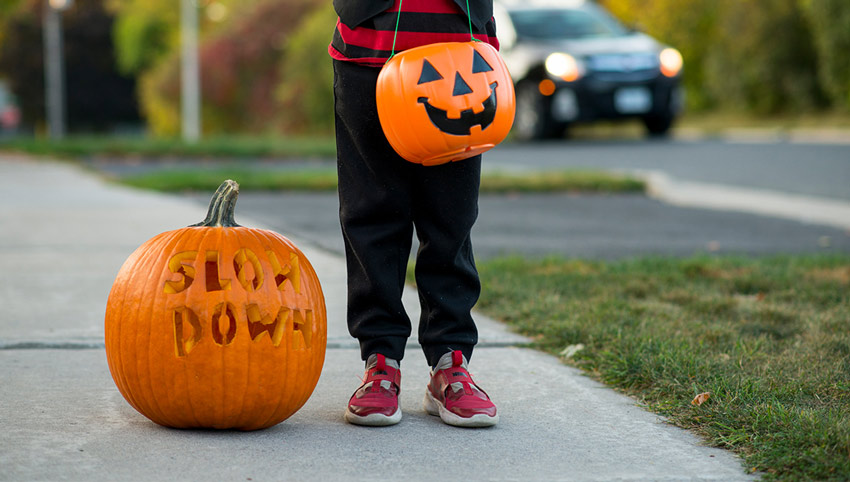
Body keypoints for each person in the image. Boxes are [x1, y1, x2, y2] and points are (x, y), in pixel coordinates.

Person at [329, 0, 500, 427]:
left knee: (451, 221)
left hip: (462, 60)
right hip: (367, 54)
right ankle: (380, 362)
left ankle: (450, 362)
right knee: (372, 215)